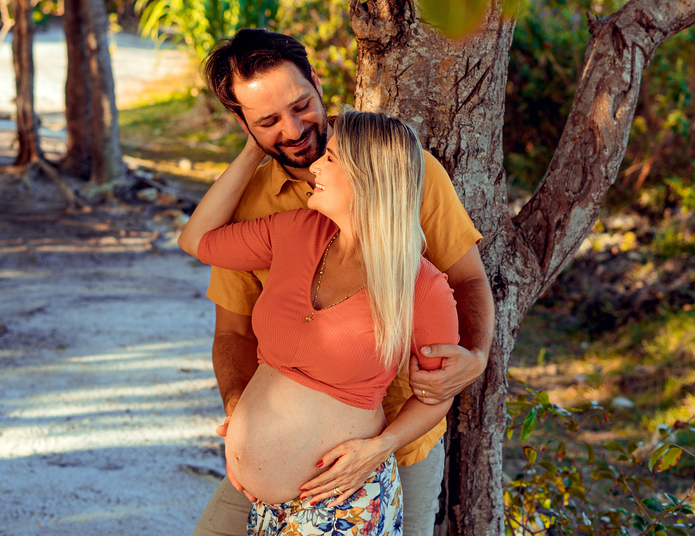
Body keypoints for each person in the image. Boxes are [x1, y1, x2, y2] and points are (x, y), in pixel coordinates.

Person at [190, 29, 495, 536]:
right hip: (264, 489)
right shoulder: (256, 207)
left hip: (389, 454)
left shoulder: (401, 172)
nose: (292, 130)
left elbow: (467, 280)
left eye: (300, 105)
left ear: (316, 80)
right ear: (244, 124)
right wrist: (242, 418)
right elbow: (233, 333)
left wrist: (478, 357)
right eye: (266, 121)